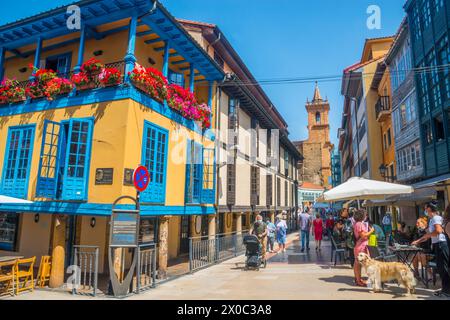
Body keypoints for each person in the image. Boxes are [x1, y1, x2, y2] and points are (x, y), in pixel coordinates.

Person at [412, 202, 450, 297]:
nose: (425, 210)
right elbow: (428, 234)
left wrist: (426, 235)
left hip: (441, 244)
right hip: (438, 244)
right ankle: (445, 289)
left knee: (443, 268)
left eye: (426, 208)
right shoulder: (432, 219)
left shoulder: (436, 218)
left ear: (429, 209)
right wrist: (418, 240)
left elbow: (438, 231)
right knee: (441, 268)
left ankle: (447, 291)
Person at [353, 209, 375, 287]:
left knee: (358, 264)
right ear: (361, 216)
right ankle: (359, 280)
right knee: (362, 264)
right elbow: (363, 236)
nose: (366, 216)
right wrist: (371, 231)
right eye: (365, 215)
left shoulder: (358, 223)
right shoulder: (359, 224)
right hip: (361, 246)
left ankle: (358, 280)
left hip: (360, 245)